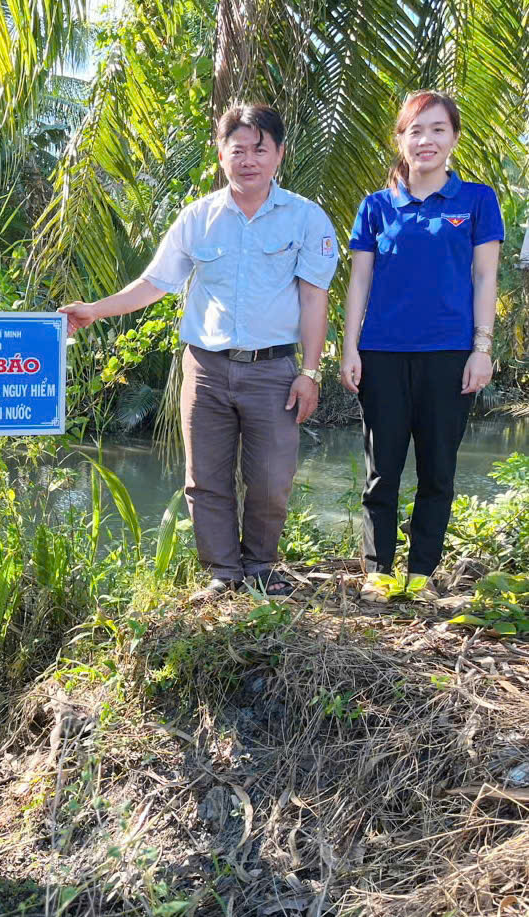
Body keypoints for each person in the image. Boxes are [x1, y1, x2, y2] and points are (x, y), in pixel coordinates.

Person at [60, 103, 338, 597]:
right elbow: (154, 283)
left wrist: (310, 372)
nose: (248, 160)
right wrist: (95, 310)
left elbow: (315, 298)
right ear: (221, 154)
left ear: (278, 154)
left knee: (272, 479)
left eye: (259, 149)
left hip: (274, 369)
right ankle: (222, 573)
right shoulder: (198, 217)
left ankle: (260, 569)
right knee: (205, 478)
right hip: (206, 369)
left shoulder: (305, 218)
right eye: (238, 150)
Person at [340, 90, 503, 601]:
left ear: (453, 138)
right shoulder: (375, 206)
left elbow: (485, 277)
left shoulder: (477, 201)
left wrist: (482, 347)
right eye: (415, 130)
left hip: (450, 356)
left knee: (438, 469)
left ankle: (421, 573)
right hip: (382, 355)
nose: (426, 140)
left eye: (437, 129)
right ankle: (378, 570)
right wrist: (349, 349)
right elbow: (359, 283)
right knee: (381, 469)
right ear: (401, 140)